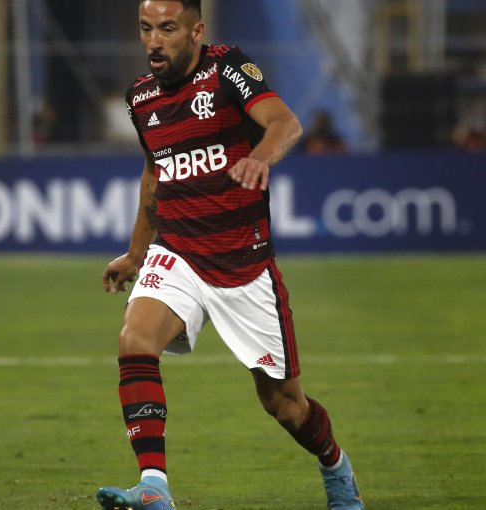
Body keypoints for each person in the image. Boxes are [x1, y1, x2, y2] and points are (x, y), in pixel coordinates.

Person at [96, 2, 364, 509]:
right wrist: (136, 255)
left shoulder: (227, 69)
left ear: (197, 31)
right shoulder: (141, 97)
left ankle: (335, 465)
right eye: (146, 29)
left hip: (243, 267)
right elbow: (155, 174)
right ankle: (155, 487)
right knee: (134, 340)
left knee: (285, 406)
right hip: (178, 253)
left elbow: (285, 123)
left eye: (168, 29)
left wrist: (259, 157)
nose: (154, 41)